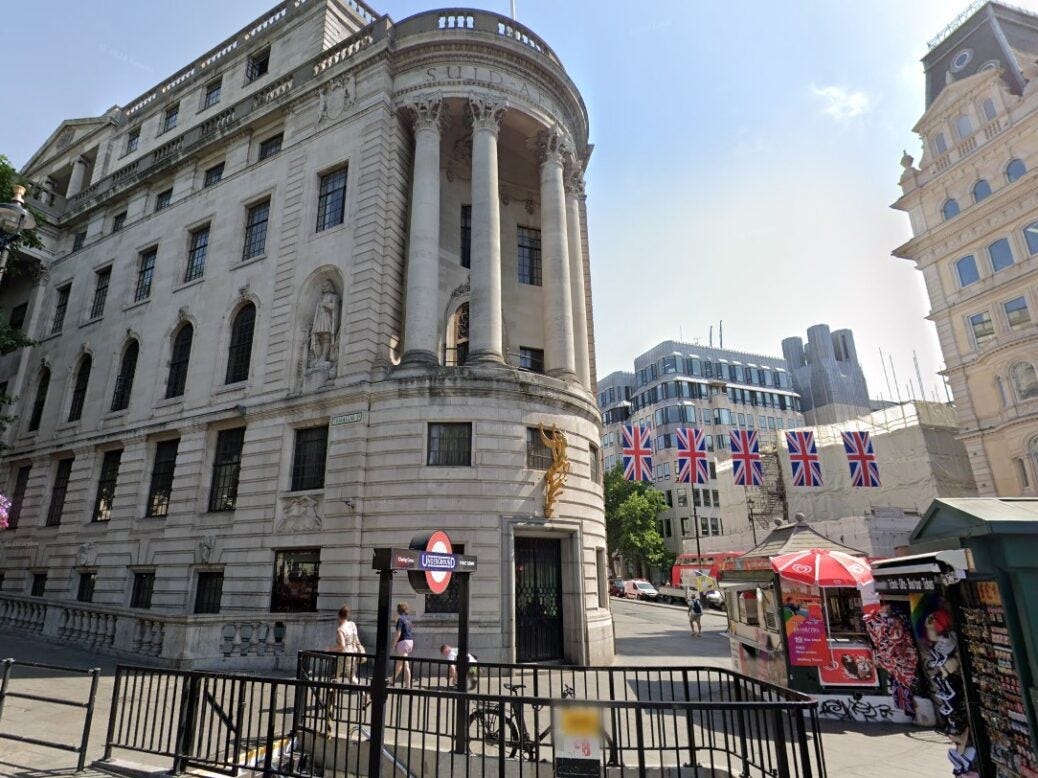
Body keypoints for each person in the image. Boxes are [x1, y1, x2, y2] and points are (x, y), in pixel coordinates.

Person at [392, 602, 414, 687]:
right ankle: (391, 680)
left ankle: (408, 685)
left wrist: (393, 645)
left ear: (398, 610)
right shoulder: (408, 619)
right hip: (410, 642)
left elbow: (398, 633)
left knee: (405, 664)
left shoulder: (400, 619)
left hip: (403, 642)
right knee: (399, 663)